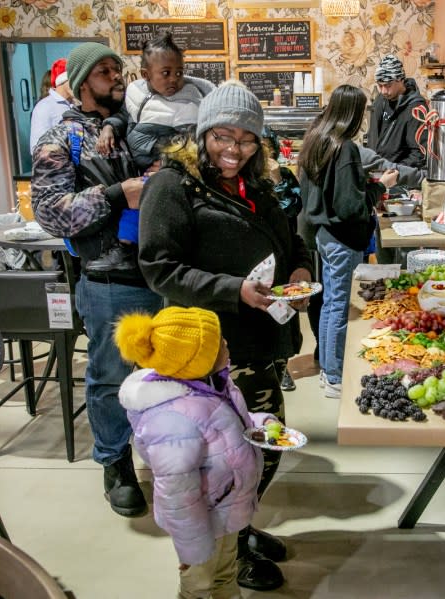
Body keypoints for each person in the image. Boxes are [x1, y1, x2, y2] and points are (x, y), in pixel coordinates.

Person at [137, 80, 314, 591]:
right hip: (208, 351)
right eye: (222, 137)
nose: (233, 150)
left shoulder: (258, 188)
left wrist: (300, 273)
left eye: (246, 140)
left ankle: (242, 528)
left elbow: (293, 242)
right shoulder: (172, 186)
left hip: (261, 340)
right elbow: (159, 268)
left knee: (262, 447)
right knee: (224, 462)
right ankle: (228, 553)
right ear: (201, 133)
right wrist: (235, 289)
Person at [31, 42, 163, 518]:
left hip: (159, 271)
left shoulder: (128, 129)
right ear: (84, 82)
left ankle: (165, 452)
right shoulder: (57, 139)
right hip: (108, 279)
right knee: (110, 377)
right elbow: (50, 213)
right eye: (107, 72)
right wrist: (115, 193)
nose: (118, 77)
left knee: (167, 371)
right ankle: (115, 463)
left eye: (118, 69)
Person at [115, 306, 278, 599]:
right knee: (199, 586)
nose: (227, 344)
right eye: (218, 343)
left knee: (225, 575)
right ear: (195, 361)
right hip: (201, 526)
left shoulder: (213, 383)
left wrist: (259, 424)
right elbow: (177, 494)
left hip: (226, 510)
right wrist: (194, 548)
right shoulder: (173, 421)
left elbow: (229, 424)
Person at [298, 84, 398, 399]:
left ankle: (328, 371)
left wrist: (361, 184)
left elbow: (329, 191)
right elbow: (350, 206)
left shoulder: (318, 139)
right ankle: (335, 376)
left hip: (324, 234)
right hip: (343, 237)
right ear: (353, 113)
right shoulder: (345, 147)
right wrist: (380, 187)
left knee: (330, 304)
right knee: (339, 306)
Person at [89, 31, 215, 274]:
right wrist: (107, 128)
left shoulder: (194, 96)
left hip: (181, 165)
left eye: (179, 72)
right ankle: (126, 248)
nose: (174, 80)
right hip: (147, 165)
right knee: (136, 203)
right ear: (146, 75)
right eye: (165, 73)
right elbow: (122, 118)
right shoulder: (137, 97)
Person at [261, 125, 304, 393]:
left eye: (268, 146)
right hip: (256, 264)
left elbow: (292, 210)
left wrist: (277, 179)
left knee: (285, 317)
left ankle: (283, 364)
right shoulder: (242, 179)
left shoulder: (285, 175)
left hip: (284, 259)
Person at [365, 54, 428, 169]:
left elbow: (419, 153)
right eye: (380, 85)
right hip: (377, 170)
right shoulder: (380, 100)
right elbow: (373, 138)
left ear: (400, 80)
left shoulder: (416, 108)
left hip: (400, 176)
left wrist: (395, 170)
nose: (383, 91)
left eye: (388, 85)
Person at [29, 57, 73, 150]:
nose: (77, 84)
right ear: (62, 80)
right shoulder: (45, 106)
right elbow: (37, 147)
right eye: (73, 79)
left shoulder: (75, 103)